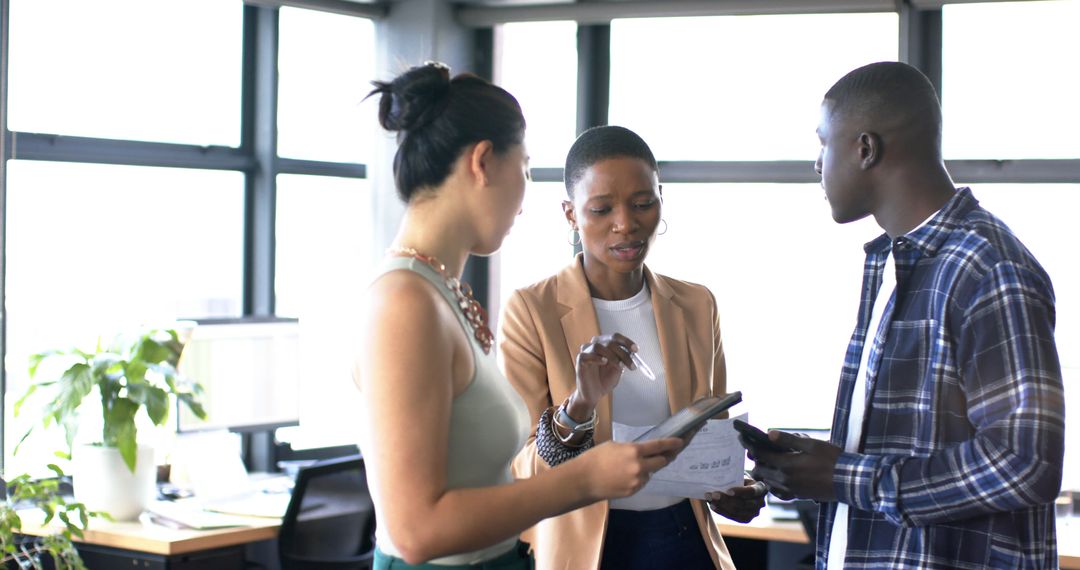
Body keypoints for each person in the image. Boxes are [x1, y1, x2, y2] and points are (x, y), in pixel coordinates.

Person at [354, 63, 689, 570]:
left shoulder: (441, 291)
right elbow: (415, 530)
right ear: (483, 162)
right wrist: (586, 479)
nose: (525, 196)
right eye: (526, 167)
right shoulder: (404, 301)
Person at [741, 61, 1065, 569]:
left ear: (865, 149)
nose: (816, 165)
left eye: (824, 144)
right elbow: (910, 445)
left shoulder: (987, 268)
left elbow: (1025, 464)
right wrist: (818, 465)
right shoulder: (897, 263)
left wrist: (845, 476)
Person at [499, 125, 767, 570]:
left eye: (643, 203)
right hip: (589, 548)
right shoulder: (531, 309)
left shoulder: (697, 304)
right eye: (602, 209)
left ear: (661, 197)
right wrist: (580, 405)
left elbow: (711, 433)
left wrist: (739, 485)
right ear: (570, 214)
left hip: (686, 538)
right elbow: (522, 471)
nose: (626, 223)